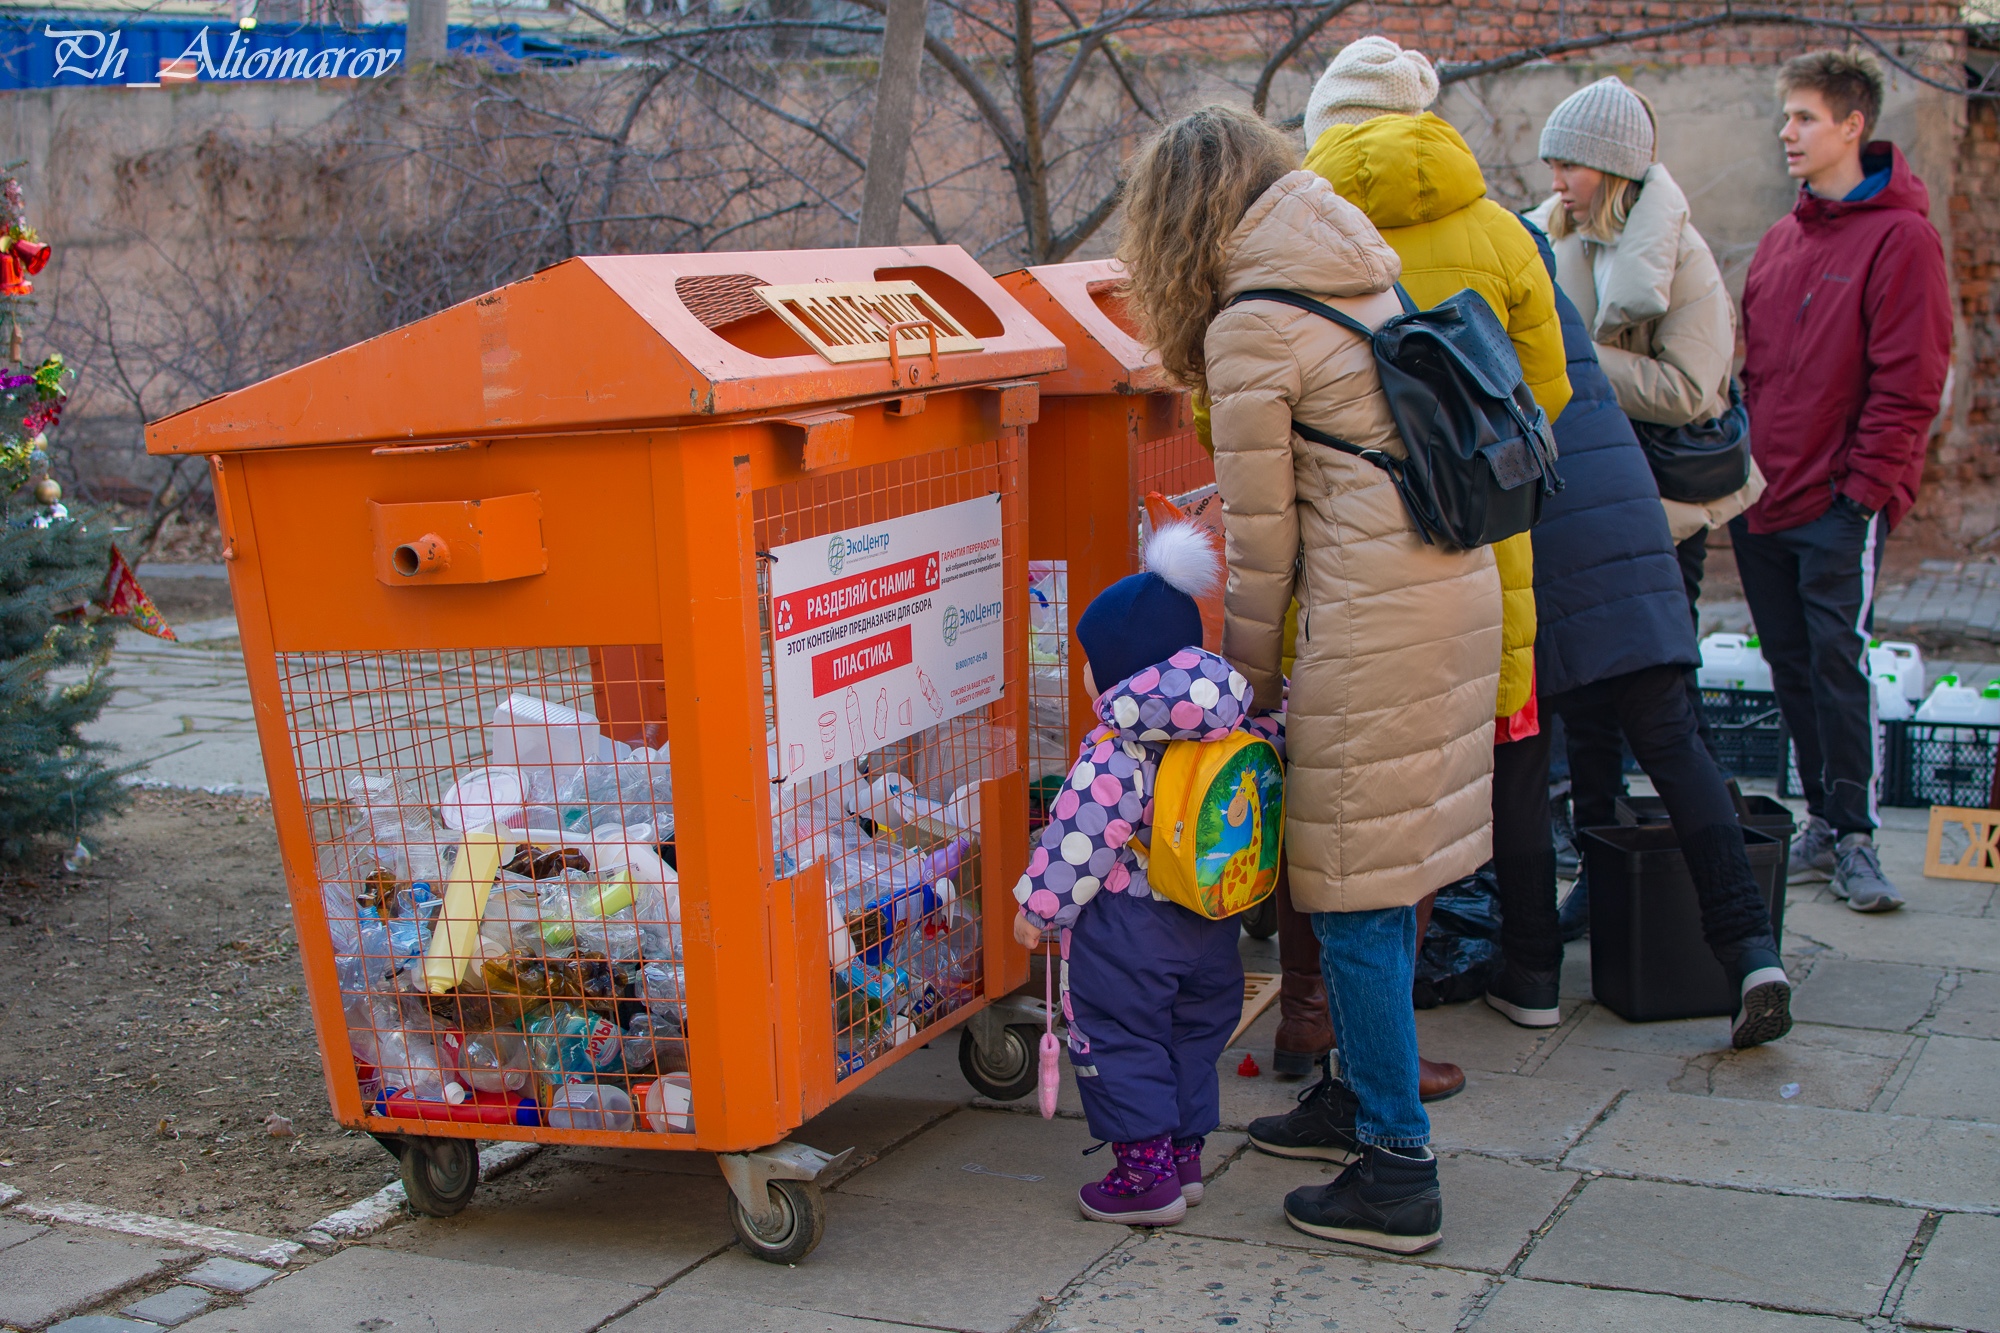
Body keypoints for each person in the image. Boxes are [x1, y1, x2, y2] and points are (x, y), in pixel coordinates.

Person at [1119, 101, 1503, 1254]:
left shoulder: (1249, 324)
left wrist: (1229, 691)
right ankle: (1348, 1091)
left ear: (1174, 222)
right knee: (1372, 864)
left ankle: (1395, 1164)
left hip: (1374, 617)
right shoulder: (1346, 270)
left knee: (1351, 889)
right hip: (1444, 587)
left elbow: (1264, 542)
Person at [1242, 33, 1572, 1124]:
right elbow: (1545, 394)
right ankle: (1386, 1064)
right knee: (1417, 808)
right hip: (1474, 552)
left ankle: (1322, 1042)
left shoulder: (1298, 240)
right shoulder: (1500, 229)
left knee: (1333, 823)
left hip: (1339, 580)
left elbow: (1244, 456)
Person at [1493, 207, 1795, 1049]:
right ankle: (1749, 950)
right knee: (1674, 743)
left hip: (1540, 546)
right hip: (1631, 530)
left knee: (1519, 757)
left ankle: (1533, 975)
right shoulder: (1549, 302)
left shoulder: (1447, 298)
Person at [1524, 74, 1764, 938]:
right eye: (1552, 161)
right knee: (1584, 716)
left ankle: (1710, 905)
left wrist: (1578, 364)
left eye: (1572, 165)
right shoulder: (1556, 237)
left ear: (1615, 172)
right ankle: (1600, 871)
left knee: (1663, 716)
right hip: (1586, 505)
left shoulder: (1684, 258)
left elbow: (1694, 390)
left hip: (1663, 511)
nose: (1555, 178)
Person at [1011, 521, 1283, 1229]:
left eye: (1091, 660)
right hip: (1210, 912)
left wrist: (1040, 910)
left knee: (1121, 1034)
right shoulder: (1233, 724)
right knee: (1190, 1035)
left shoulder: (1117, 748)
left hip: (1130, 925)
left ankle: (1144, 1178)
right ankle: (1184, 1159)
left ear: (1127, 667)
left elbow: (1079, 838)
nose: (1084, 673)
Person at [1734, 50, 1951, 913]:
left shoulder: (1904, 239)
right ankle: (1821, 821)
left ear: (1852, 125)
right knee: (1790, 665)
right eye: (1786, 116)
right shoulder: (1783, 239)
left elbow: (1910, 384)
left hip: (1838, 503)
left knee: (1838, 662)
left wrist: (1863, 494)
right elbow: (1757, 373)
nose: (1787, 132)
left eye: (1804, 117)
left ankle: (1856, 833)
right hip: (1763, 498)